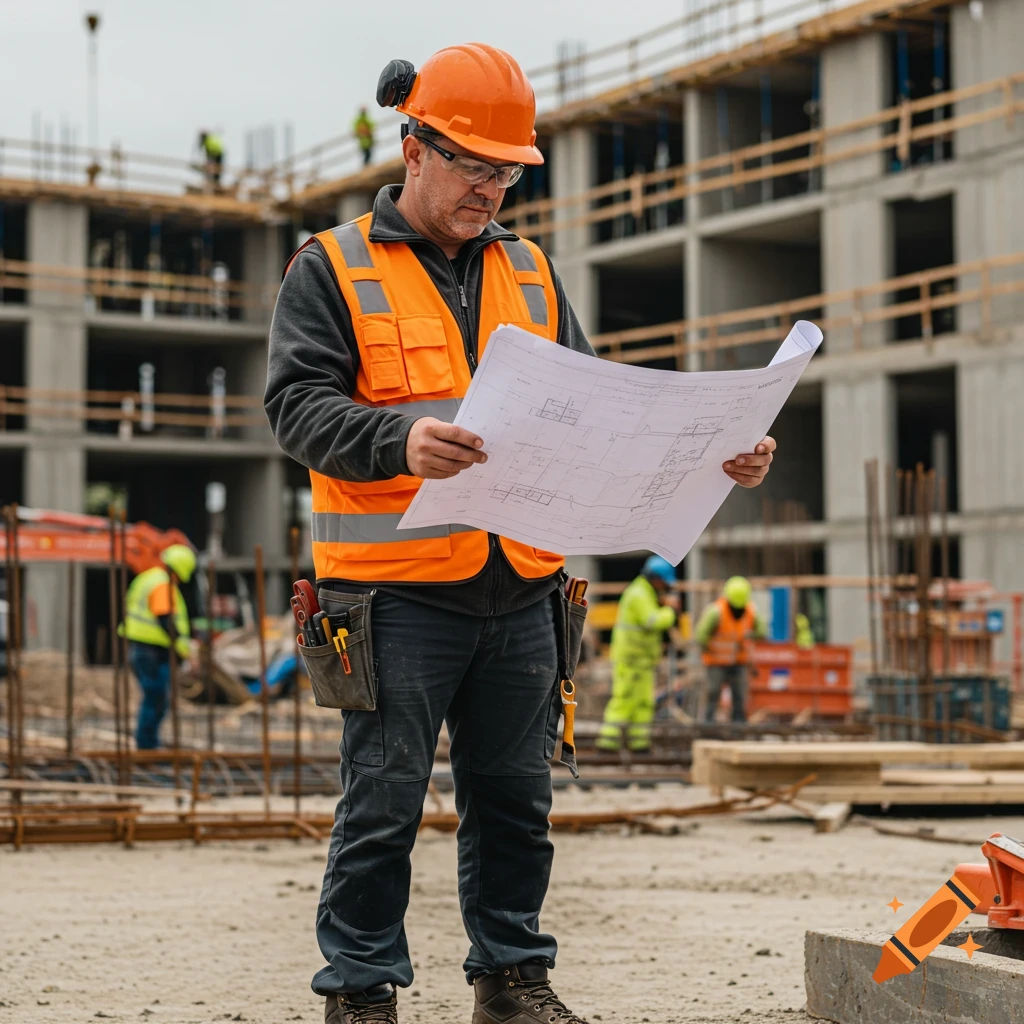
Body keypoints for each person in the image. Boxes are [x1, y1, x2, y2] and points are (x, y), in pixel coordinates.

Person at [264, 41, 778, 1024]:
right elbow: (293, 409)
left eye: (507, 171)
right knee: (381, 807)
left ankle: (510, 979)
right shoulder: (328, 267)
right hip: (391, 594)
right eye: (472, 164)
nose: (491, 188)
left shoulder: (533, 273)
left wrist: (715, 452)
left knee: (515, 807)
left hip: (522, 593)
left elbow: (602, 412)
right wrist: (399, 438)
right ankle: (361, 994)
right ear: (413, 147)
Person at [595, 555, 679, 753]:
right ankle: (608, 743)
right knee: (624, 699)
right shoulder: (639, 594)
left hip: (642, 659)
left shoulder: (647, 594)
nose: (664, 587)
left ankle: (639, 743)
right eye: (663, 583)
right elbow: (652, 621)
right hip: (631, 659)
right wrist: (670, 611)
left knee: (643, 703)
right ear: (655, 578)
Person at [120, 544, 195, 750]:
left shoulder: (148, 578)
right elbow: (165, 619)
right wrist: (182, 647)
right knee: (156, 697)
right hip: (151, 650)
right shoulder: (162, 584)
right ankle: (147, 744)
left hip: (142, 648)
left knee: (154, 697)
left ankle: (147, 741)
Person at [695, 576, 766, 723]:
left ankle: (738, 728)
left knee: (740, 696)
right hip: (716, 662)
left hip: (739, 661)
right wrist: (708, 649)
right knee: (712, 694)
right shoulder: (715, 612)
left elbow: (762, 632)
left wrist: (750, 635)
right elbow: (701, 635)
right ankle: (707, 726)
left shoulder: (750, 611)